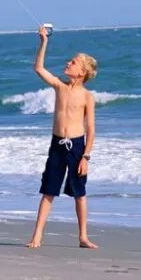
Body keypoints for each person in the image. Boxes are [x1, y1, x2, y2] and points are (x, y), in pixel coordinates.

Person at [25, 24, 98, 249]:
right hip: (57, 144)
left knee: (80, 194)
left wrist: (86, 157)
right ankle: (37, 236)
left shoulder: (87, 96)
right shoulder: (59, 86)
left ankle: (83, 237)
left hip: (77, 147)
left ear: (82, 72)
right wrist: (43, 41)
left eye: (73, 62)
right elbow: (38, 68)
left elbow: (92, 130)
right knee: (49, 190)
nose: (68, 63)